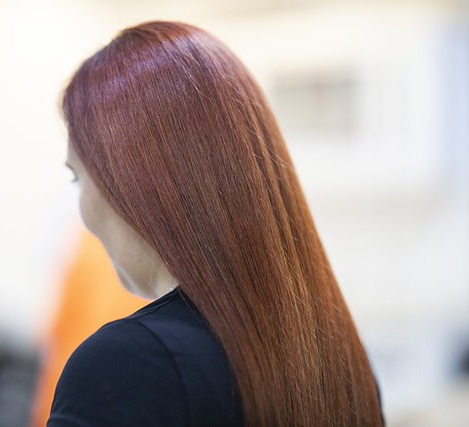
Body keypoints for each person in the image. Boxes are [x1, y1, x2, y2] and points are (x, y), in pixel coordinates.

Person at [48, 21, 384, 426]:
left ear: (131, 182)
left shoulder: (125, 366)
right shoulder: (339, 362)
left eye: (77, 177)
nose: (81, 209)